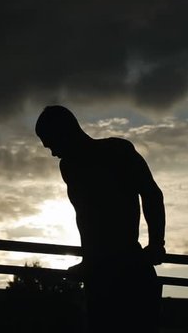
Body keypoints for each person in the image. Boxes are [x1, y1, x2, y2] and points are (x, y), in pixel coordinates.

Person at [35, 105, 166, 333]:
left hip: (130, 267)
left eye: (52, 144)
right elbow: (85, 217)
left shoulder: (117, 151)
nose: (53, 152)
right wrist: (89, 261)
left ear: (65, 132)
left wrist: (156, 243)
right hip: (99, 274)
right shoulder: (68, 167)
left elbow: (151, 193)